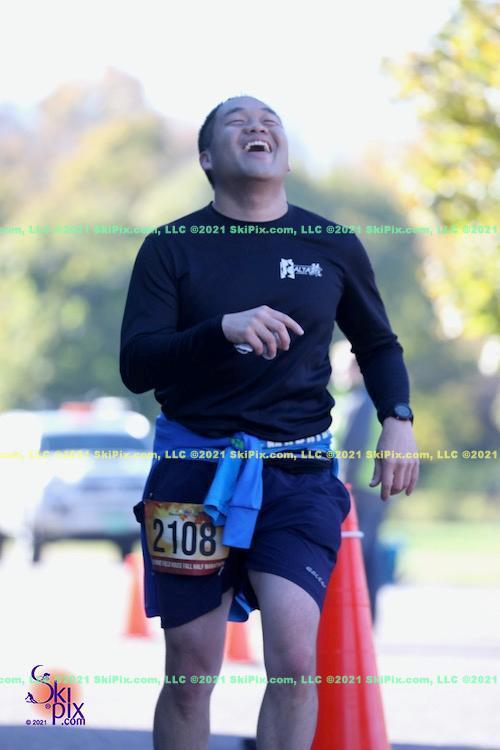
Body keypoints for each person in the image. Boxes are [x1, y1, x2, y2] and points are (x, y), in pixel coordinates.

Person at [119, 95, 419, 750]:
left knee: (295, 661)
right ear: (207, 157)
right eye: (237, 121)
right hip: (192, 475)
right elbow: (137, 363)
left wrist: (398, 418)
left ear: (284, 154)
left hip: (299, 474)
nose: (257, 126)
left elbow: (378, 345)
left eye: (269, 121)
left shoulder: (331, 243)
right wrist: (220, 330)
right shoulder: (171, 247)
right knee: (191, 671)